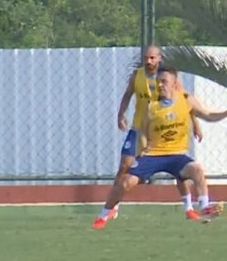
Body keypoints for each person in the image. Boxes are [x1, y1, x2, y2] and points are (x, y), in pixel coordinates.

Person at [92, 66, 225, 229]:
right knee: (126, 182)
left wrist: (225, 112)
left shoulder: (186, 99)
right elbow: (142, 131)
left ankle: (204, 206)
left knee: (196, 169)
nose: (160, 85)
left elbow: (209, 115)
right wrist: (143, 149)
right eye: (158, 82)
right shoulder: (152, 106)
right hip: (153, 155)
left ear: (174, 83)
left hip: (177, 156)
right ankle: (103, 215)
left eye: (164, 81)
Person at [112, 45, 204, 221]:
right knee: (125, 165)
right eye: (146, 57)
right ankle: (113, 206)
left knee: (179, 169)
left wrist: (196, 124)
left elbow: (185, 102)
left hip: (165, 130)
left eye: (152, 58)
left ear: (159, 58)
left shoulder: (170, 79)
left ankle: (189, 208)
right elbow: (127, 95)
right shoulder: (137, 76)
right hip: (139, 128)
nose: (149, 61)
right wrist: (120, 114)